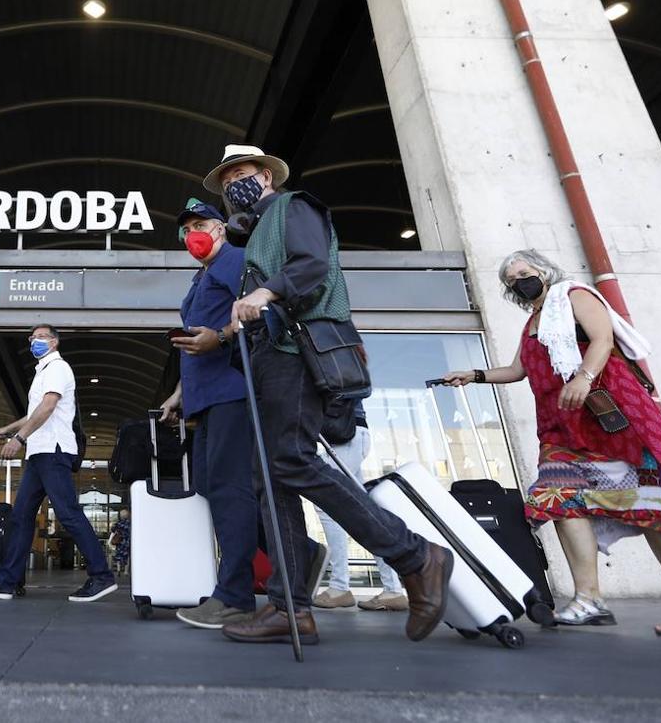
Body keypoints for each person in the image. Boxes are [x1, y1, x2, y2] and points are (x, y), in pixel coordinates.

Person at [205, 144, 453, 646]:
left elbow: (312, 265)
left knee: (291, 462)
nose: (234, 184)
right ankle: (289, 609)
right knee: (269, 480)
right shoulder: (254, 237)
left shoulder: (295, 207)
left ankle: (415, 556)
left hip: (299, 353)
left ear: (267, 177)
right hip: (272, 355)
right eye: (227, 178)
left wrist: (263, 293)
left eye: (243, 173)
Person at [442, 249, 661, 637]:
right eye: (510, 280)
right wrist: (473, 374)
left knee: (656, 508)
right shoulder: (534, 320)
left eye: (523, 272)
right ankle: (589, 598)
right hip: (563, 430)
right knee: (556, 498)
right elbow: (518, 370)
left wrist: (583, 378)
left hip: (612, 422)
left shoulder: (573, 296)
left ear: (542, 269)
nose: (518, 281)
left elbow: (603, 339)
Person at [158, 199, 323, 629]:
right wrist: (178, 393)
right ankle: (298, 551)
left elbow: (257, 314)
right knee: (217, 487)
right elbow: (199, 341)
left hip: (233, 391)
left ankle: (234, 596)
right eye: (185, 228)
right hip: (205, 396)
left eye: (200, 224)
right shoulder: (202, 275)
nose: (192, 234)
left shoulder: (234, 261)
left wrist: (222, 336)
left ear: (219, 228)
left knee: (231, 489)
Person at [0, 324, 118, 603]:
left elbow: (48, 407)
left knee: (67, 512)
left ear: (54, 343)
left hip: (53, 450)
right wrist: (8, 428)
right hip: (39, 453)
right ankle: (6, 582)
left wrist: (19, 439)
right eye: (31, 337)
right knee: (21, 517)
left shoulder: (58, 368)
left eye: (40, 337)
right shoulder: (43, 372)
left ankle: (101, 576)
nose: (33, 340)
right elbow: (35, 412)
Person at [311, 404, 408, 612]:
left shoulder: (338, 371)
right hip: (350, 431)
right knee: (366, 510)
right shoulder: (349, 370)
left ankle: (339, 587)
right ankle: (393, 589)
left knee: (329, 505)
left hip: (343, 434)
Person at [109, 508, 130, 575]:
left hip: (119, 541)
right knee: (127, 556)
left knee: (119, 555)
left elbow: (113, 531)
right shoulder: (130, 524)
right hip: (127, 541)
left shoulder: (118, 523)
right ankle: (126, 571)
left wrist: (110, 540)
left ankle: (118, 569)